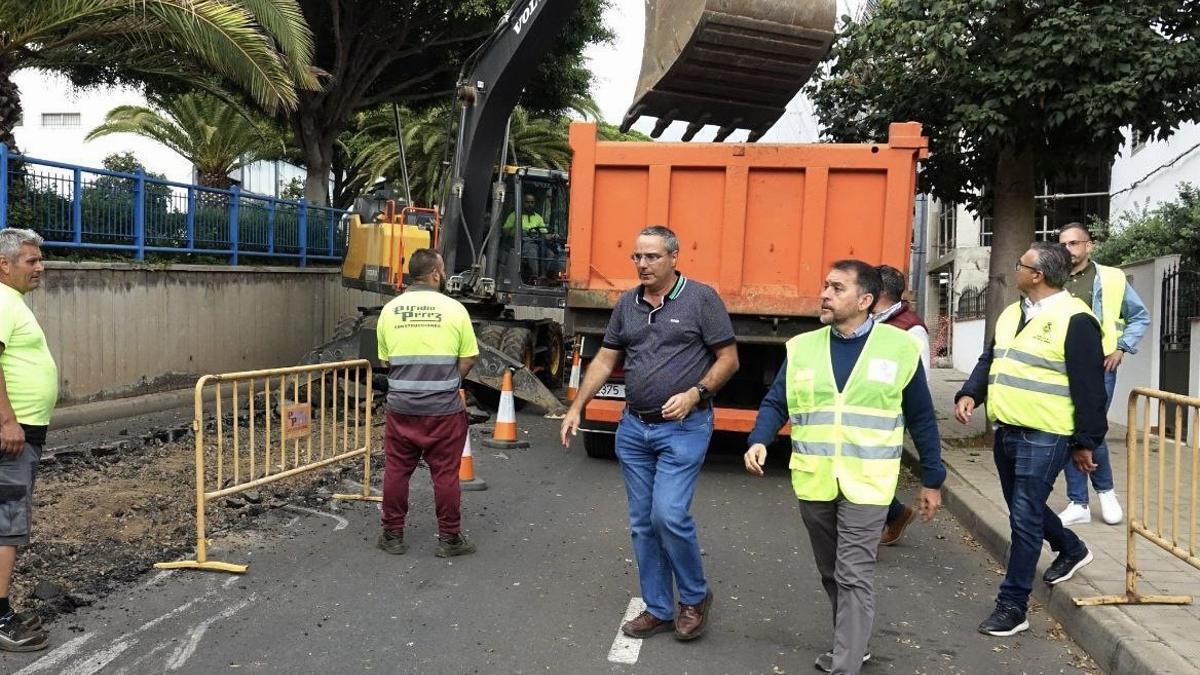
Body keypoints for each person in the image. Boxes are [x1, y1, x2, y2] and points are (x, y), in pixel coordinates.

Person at [744, 260, 945, 674]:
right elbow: (776, 401)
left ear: (865, 300)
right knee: (831, 571)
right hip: (815, 480)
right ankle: (853, 643)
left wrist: (932, 479)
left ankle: (846, 664)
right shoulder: (803, 347)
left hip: (869, 484)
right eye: (825, 285)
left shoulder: (898, 348)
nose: (825, 294)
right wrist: (759, 439)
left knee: (853, 572)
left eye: (837, 288)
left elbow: (922, 418)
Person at [560, 225, 738, 642]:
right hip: (634, 429)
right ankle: (658, 607)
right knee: (643, 523)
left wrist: (696, 394)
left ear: (674, 258)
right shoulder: (628, 304)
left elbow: (729, 359)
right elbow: (605, 360)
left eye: (652, 257)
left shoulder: (701, 299)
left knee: (669, 515)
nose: (643, 264)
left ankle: (694, 597)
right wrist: (576, 406)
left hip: (683, 429)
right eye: (637, 257)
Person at [955, 241, 1106, 637]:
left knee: (1023, 517)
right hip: (1007, 429)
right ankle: (1070, 547)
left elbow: (1090, 388)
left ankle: (1013, 605)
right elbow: (991, 358)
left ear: (1037, 275)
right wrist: (971, 391)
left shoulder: (1077, 319)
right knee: (1026, 507)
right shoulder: (1011, 312)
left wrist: (1086, 442)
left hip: (1046, 432)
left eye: (1019, 264)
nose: (1013, 268)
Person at [375, 248, 479, 558]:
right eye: (442, 270)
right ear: (434, 274)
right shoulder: (455, 310)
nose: (444, 275)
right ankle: (449, 539)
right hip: (443, 410)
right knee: (445, 474)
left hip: (402, 408)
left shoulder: (389, 311)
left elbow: (386, 360)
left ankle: (392, 535)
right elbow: (469, 358)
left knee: (396, 470)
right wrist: (448, 380)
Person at [1056, 222, 1149, 526]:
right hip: (1059, 364)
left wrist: (1121, 347)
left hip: (1100, 365)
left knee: (1091, 428)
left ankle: (1105, 492)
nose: (1068, 250)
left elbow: (1139, 316)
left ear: (1089, 245)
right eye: (1063, 244)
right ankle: (1079, 502)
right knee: (1072, 428)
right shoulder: (1054, 277)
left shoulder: (1111, 277)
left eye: (1074, 243)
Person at [0, 228, 55, 652]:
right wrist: (7, 421)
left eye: (39, 260)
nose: (40, 267)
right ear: (5, 264)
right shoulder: (2, 300)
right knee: (7, 524)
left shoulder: (12, 302)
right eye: (31, 261)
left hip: (21, 432)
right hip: (10, 436)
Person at [873, 264, 930, 546]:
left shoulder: (911, 328)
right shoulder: (870, 321)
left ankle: (862, 540)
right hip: (866, 410)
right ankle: (895, 513)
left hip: (889, 415)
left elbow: (919, 381)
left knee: (870, 475)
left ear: (879, 292)